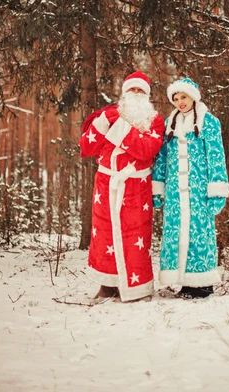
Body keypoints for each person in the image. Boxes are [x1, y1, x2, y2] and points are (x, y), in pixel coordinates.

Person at [80, 71, 165, 302]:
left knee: (136, 234)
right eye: (132, 90)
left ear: (147, 95)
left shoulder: (154, 120)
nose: (136, 94)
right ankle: (107, 285)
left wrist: (118, 130)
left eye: (141, 90)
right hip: (107, 183)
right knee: (104, 234)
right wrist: (103, 124)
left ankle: (137, 286)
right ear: (124, 93)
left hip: (137, 184)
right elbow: (86, 148)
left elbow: (148, 149)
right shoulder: (107, 115)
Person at [152, 78, 229, 299]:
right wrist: (158, 189)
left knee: (199, 234)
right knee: (175, 234)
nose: (180, 102)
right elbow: (162, 158)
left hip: (198, 191)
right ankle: (183, 282)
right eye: (175, 99)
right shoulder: (170, 123)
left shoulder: (209, 121)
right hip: (175, 193)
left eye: (183, 97)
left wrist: (216, 190)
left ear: (193, 96)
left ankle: (202, 284)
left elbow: (216, 157)